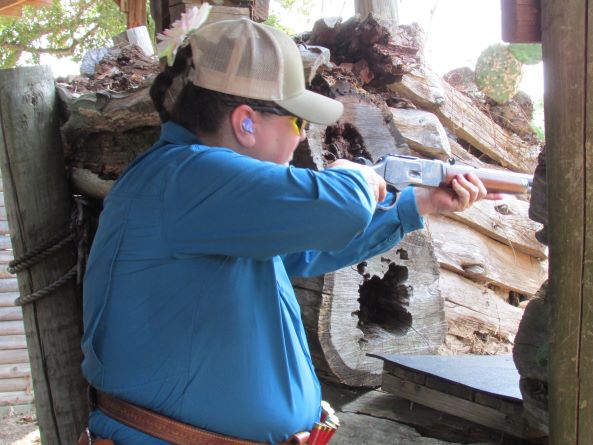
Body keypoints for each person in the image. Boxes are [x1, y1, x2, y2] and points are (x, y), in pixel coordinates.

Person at [80, 6, 497, 445]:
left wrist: (416, 203)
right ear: (245, 122)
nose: (300, 135)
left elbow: (306, 252)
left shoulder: (198, 190)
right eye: (296, 120)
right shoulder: (184, 177)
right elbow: (339, 209)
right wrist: (354, 177)